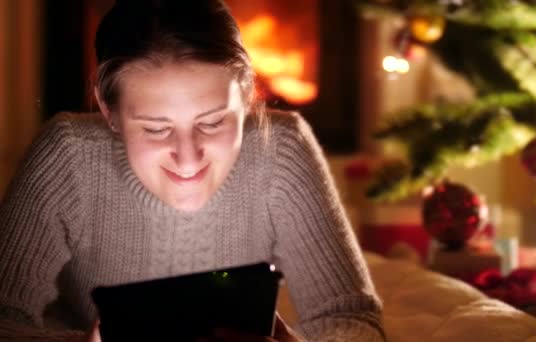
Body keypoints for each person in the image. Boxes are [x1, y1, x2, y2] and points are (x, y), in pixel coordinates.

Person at [0, 0, 385, 341]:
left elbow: (352, 318)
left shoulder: (280, 148)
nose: (188, 159)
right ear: (108, 110)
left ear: (248, 94)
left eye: (213, 122)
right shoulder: (69, 155)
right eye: (156, 128)